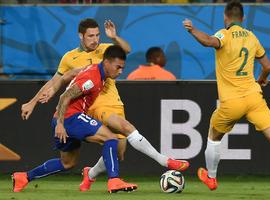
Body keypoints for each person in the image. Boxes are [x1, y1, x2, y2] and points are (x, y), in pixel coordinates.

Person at [21, 18, 189, 192]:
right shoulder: (70, 58)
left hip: (112, 102)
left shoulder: (106, 50)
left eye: (98, 35)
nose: (95, 39)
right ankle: (164, 161)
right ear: (81, 36)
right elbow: (56, 81)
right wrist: (32, 102)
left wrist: (115, 37)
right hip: (92, 106)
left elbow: (127, 50)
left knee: (118, 151)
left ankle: (90, 174)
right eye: (90, 36)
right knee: (120, 130)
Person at [183, 0, 270, 191]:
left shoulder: (224, 34)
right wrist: (261, 79)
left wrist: (192, 29)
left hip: (232, 101)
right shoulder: (252, 37)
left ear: (225, 16)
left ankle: (211, 178)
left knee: (213, 134)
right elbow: (268, 66)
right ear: (243, 18)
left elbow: (209, 41)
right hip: (254, 96)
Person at [12, 45, 137, 193]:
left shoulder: (94, 70)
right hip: (70, 118)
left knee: (67, 163)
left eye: (122, 68)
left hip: (64, 119)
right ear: (107, 62)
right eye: (118, 67)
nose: (120, 71)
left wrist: (51, 91)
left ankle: (24, 177)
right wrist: (60, 123)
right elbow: (65, 96)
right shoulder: (92, 78)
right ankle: (114, 180)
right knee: (110, 138)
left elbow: (67, 75)